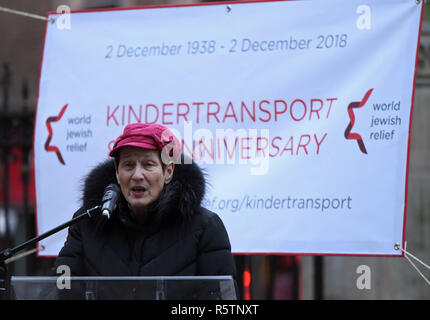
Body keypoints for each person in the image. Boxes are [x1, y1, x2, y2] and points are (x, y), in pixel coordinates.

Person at [53, 123, 237, 299]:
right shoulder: (87, 222)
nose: (137, 175)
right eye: (128, 165)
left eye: (148, 164)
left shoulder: (205, 227)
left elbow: (220, 297)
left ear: (168, 172)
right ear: (117, 172)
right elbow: (61, 286)